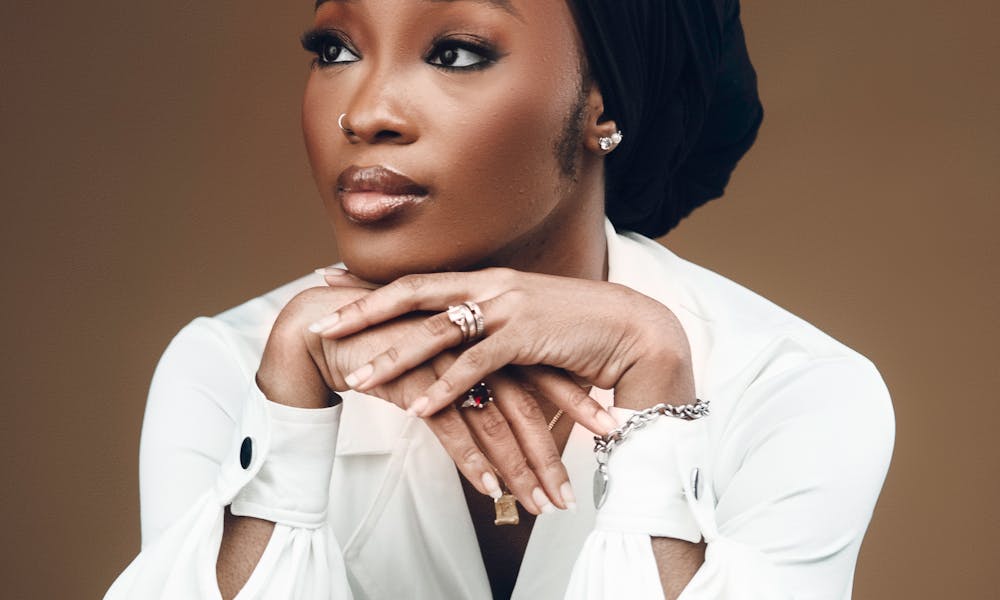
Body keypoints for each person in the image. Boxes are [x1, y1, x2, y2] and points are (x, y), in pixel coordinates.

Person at [106, 0, 895, 598]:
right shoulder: (235, 367)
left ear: (603, 101)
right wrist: (288, 414)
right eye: (336, 49)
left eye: (455, 53)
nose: (366, 113)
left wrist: (655, 383)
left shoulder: (794, 390)